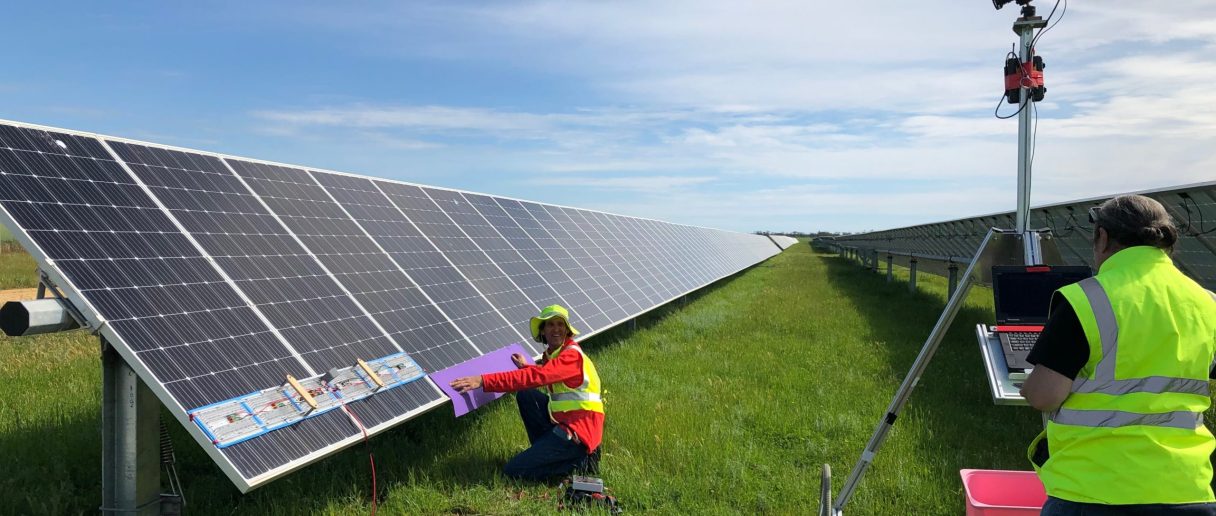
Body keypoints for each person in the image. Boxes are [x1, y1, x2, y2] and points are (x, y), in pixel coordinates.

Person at [1020, 194, 1216, 514]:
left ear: (1102, 237)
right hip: (1187, 488)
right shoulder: (1206, 301)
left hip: (1094, 492)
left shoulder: (1087, 299)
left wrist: (1030, 386)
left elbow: (1045, 396)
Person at [450, 304, 604, 481]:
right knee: (527, 395)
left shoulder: (571, 356)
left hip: (580, 433)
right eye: (550, 325)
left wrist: (482, 381)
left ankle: (580, 463)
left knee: (512, 471)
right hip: (567, 424)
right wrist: (527, 366)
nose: (556, 329)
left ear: (567, 330)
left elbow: (539, 376)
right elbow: (547, 371)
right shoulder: (555, 355)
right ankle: (545, 452)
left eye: (560, 325)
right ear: (543, 331)